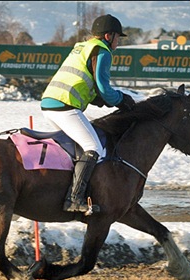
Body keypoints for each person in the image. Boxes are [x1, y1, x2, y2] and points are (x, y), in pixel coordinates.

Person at [40, 14, 136, 214]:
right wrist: (121, 100)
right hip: (64, 106)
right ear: (109, 36)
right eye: (118, 37)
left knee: (76, 149)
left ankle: (65, 191)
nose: (118, 42)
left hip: (50, 104)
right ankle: (74, 199)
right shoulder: (103, 51)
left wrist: (99, 99)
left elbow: (86, 84)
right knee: (94, 148)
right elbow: (104, 87)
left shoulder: (81, 47)